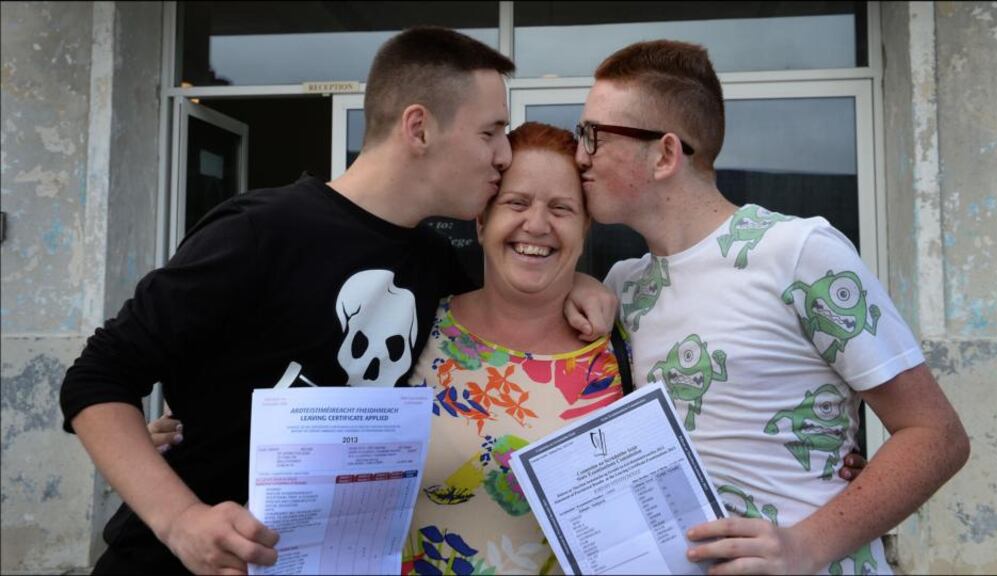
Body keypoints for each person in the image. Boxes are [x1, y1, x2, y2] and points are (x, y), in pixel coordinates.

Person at [59, 28, 614, 575]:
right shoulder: (260, 232)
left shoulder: (434, 261)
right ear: (419, 128)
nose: (504, 154)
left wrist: (584, 286)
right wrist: (181, 519)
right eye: (491, 132)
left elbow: (524, 273)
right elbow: (97, 376)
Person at [570, 40, 970, 574]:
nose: (580, 156)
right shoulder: (624, 286)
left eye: (593, 136)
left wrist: (806, 544)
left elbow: (936, 436)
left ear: (665, 154)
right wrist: (569, 283)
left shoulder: (798, 252)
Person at [400, 121, 629, 575]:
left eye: (561, 209)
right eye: (516, 203)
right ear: (482, 220)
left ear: (584, 229)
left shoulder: (620, 352)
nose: (537, 224)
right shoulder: (415, 326)